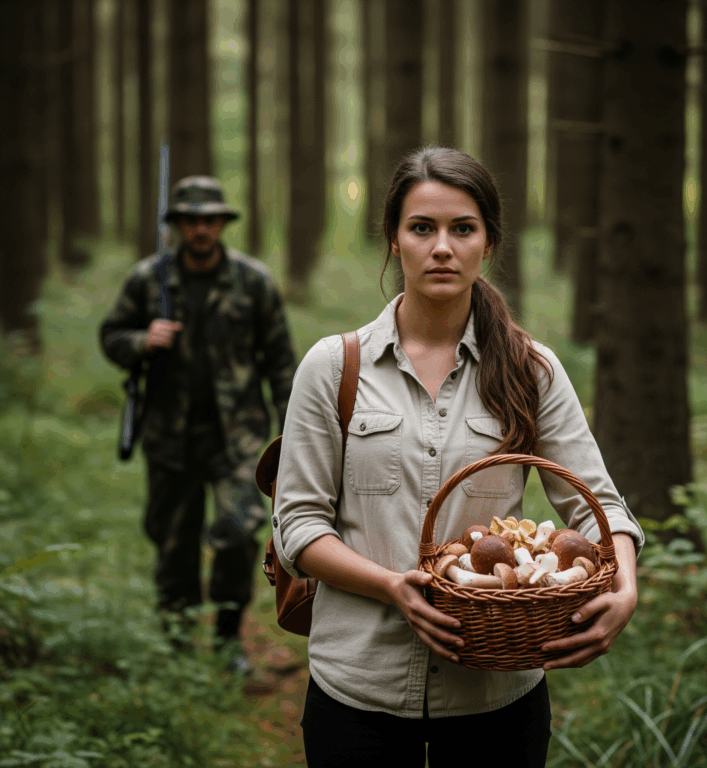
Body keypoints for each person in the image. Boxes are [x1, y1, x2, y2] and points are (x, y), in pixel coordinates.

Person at [272, 147, 644, 767]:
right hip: (356, 687)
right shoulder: (334, 367)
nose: (441, 247)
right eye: (422, 228)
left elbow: (598, 506)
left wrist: (625, 590)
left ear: (488, 244)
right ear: (394, 241)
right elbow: (298, 526)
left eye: (462, 229)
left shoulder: (533, 370)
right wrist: (393, 587)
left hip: (496, 696)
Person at [100, 176, 296, 672]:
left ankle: (230, 639)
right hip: (170, 436)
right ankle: (177, 642)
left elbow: (279, 361)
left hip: (239, 437)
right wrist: (142, 340)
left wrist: (290, 435)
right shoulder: (149, 279)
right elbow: (111, 336)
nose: (201, 229)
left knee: (237, 532)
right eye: (191, 220)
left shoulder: (253, 280)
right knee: (173, 543)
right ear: (178, 226)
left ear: (222, 224)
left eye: (210, 219)